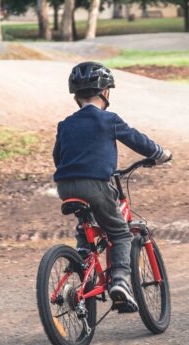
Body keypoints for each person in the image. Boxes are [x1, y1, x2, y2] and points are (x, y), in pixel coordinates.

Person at [53, 62, 172, 313]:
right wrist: (159, 153)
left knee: (86, 223)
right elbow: (138, 140)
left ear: (75, 97)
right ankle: (120, 281)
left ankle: (82, 259)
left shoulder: (65, 124)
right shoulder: (109, 119)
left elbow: (58, 156)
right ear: (106, 93)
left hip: (65, 186)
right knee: (120, 232)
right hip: (95, 184)